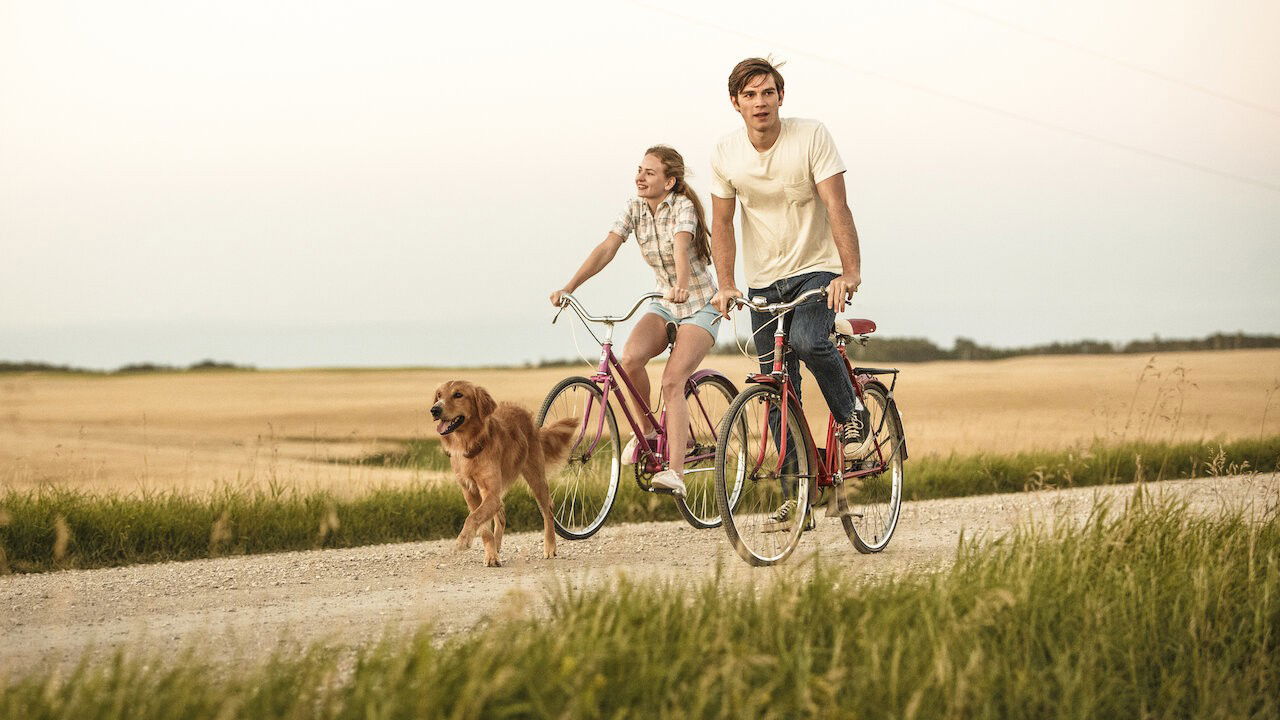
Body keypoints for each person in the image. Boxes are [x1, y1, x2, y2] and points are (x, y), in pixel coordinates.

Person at [708, 57, 870, 525]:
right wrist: (726, 284)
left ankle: (851, 412)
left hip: (816, 268)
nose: (760, 102)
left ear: (781, 96)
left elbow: (836, 204)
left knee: (808, 340)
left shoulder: (811, 135)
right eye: (750, 95)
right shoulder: (725, 153)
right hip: (762, 280)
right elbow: (721, 224)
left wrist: (850, 272)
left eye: (768, 92)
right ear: (736, 103)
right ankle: (798, 491)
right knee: (776, 384)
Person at [550, 145, 720, 497]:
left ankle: (676, 473)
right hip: (663, 303)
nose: (640, 177)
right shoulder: (634, 208)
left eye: (650, 172)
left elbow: (680, 245)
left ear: (670, 181)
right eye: (639, 170)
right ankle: (650, 433)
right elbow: (607, 248)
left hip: (699, 304)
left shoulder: (683, 207)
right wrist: (569, 287)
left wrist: (682, 286)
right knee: (629, 359)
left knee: (673, 381)